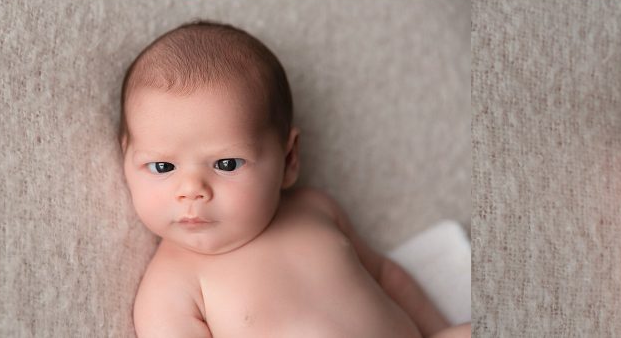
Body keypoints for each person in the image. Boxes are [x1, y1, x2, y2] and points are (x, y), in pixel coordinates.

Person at [120, 21, 470, 337]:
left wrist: (442, 330)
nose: (192, 191)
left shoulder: (315, 209)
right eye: (162, 167)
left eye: (226, 164)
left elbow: (385, 275)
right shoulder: (170, 289)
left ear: (289, 159)